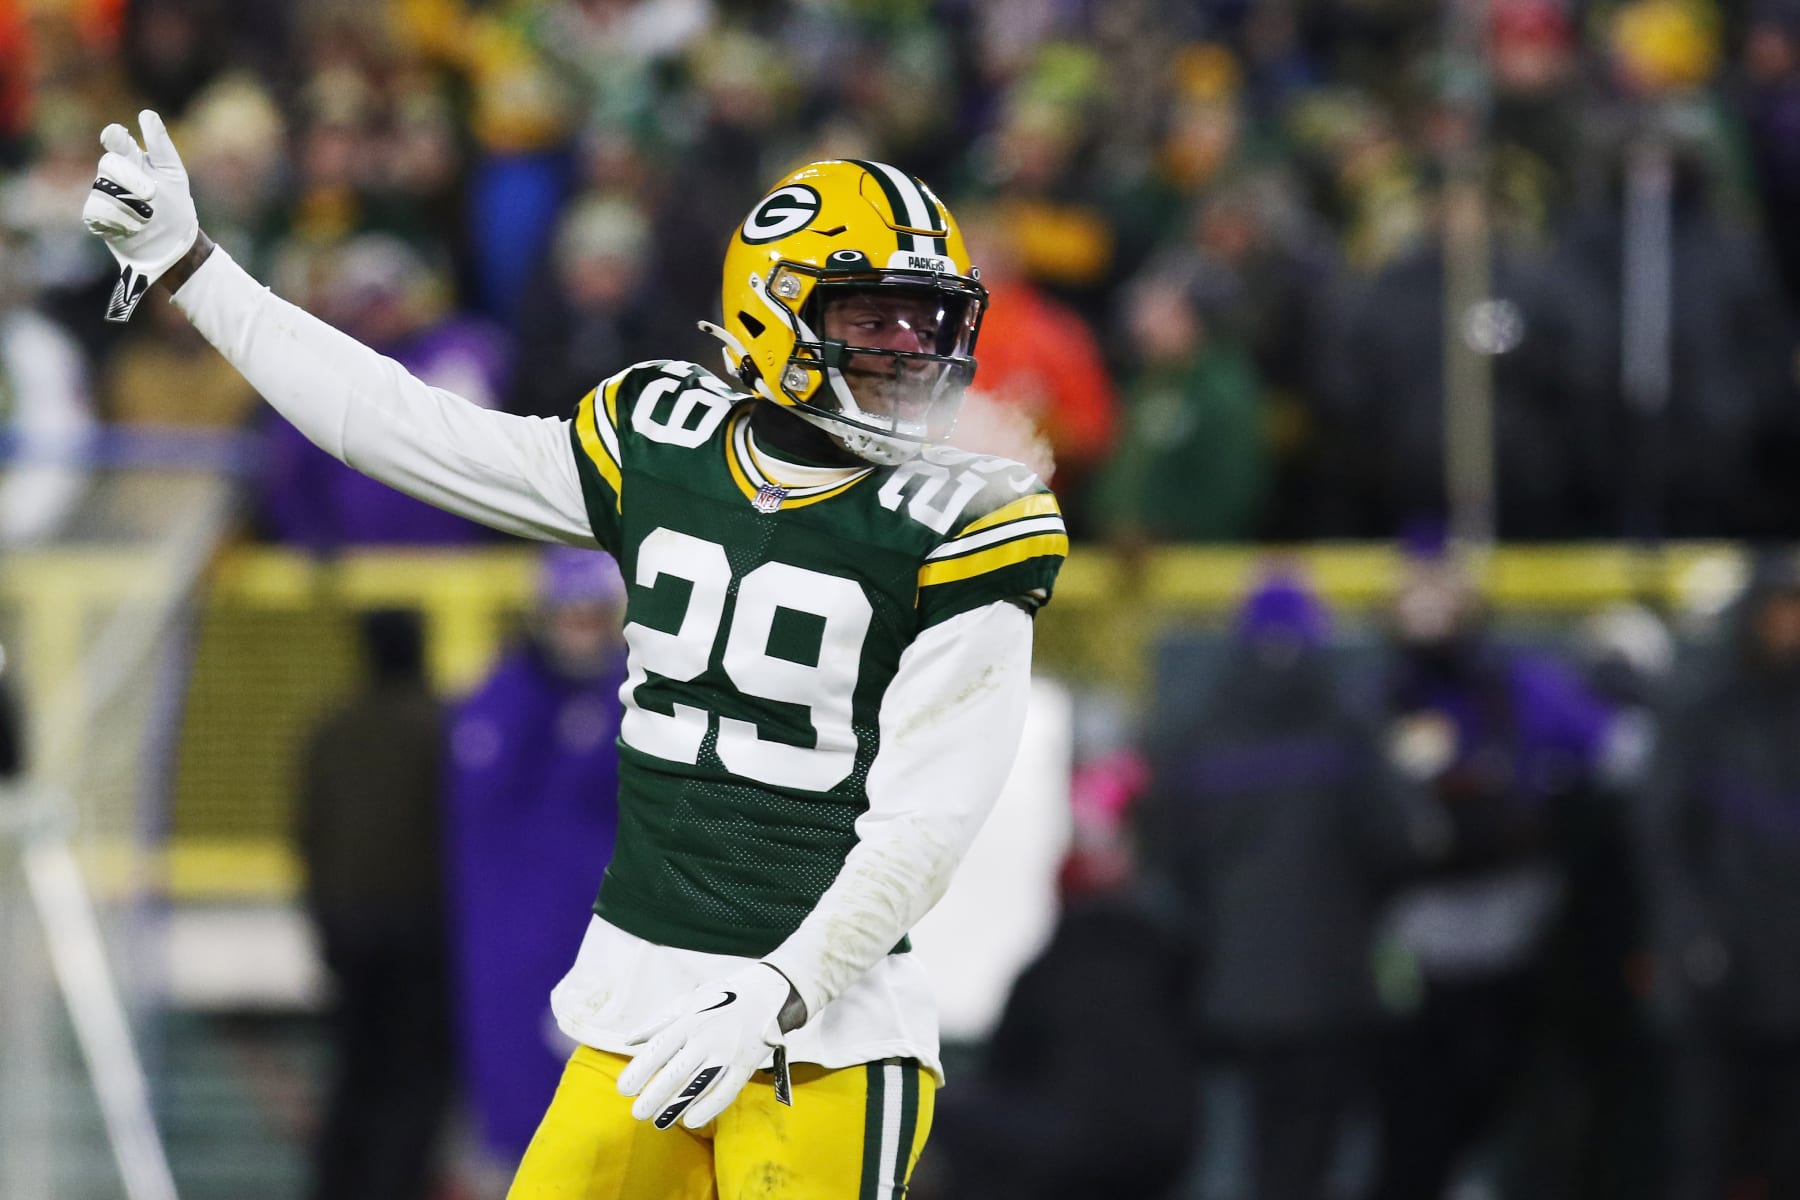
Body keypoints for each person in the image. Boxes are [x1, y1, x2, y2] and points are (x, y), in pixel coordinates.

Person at [83, 112, 1065, 1198]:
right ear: (775, 314)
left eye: (929, 324)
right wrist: (195, 269)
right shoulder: (665, 442)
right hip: (641, 1006)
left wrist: (781, 990)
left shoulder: (967, 518)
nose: (910, 354)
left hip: (824, 1036)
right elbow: (405, 427)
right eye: (874, 320)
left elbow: (930, 821)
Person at [447, 546, 629, 1169]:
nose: (582, 632)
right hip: (522, 944)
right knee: (525, 1120)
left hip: (612, 938)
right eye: (569, 615)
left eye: (594, 616)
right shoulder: (505, 702)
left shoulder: (630, 696)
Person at [1640, 552, 1800, 1200]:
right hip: (1716, 968)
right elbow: (1662, 834)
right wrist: (1690, 934)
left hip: (1791, 968)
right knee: (1705, 1144)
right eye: (1782, 610)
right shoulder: (1702, 703)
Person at [294, 608, 454, 1200]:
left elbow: (309, 834)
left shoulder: (331, 729)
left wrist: (324, 925)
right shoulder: (442, 727)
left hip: (349, 930)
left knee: (352, 1073)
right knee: (417, 1079)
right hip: (423, 932)